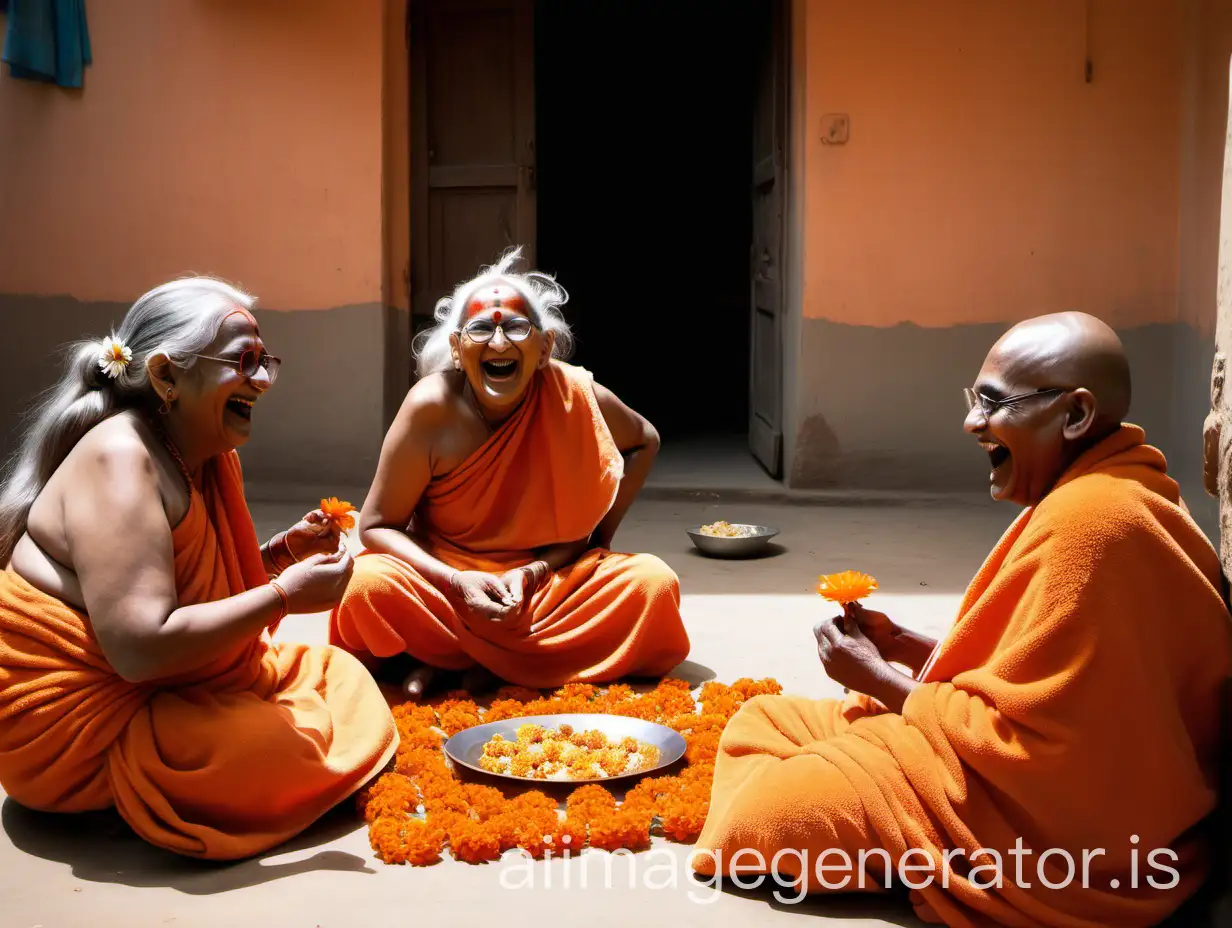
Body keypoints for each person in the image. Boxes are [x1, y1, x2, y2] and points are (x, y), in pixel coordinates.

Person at [692, 312, 1232, 927]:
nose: (972, 421)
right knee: (766, 718)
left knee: (766, 812)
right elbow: (1035, 676)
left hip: (1076, 843)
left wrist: (878, 681)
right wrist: (909, 648)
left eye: (995, 403)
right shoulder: (1113, 489)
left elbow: (1054, 753)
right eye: (975, 399)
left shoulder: (1095, 524)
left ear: (1075, 416)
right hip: (1035, 779)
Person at [0, 278, 397, 860]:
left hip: (164, 681)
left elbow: (184, 584)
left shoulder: (201, 453)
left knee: (336, 673)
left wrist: (279, 556)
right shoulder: (121, 458)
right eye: (243, 362)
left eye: (265, 362)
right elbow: (139, 649)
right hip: (74, 721)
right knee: (271, 748)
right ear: (166, 378)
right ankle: (137, 792)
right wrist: (284, 596)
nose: (261, 381)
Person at [329, 248, 689, 696]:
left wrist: (593, 541)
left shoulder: (572, 391)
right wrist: (456, 581)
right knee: (364, 586)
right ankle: (516, 664)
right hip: (446, 583)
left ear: (544, 348)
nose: (499, 343)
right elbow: (377, 525)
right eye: (482, 328)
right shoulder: (430, 407)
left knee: (653, 585)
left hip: (546, 584)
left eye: (516, 327)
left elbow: (644, 440)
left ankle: (451, 663)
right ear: (458, 349)